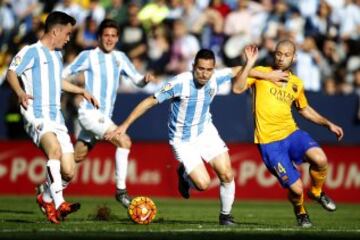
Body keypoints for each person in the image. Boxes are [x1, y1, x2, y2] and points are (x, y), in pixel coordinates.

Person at [105, 48, 287, 225]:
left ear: (213, 69)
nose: (204, 74)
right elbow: (149, 101)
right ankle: (184, 175)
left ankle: (226, 216)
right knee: (203, 184)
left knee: (227, 174)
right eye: (200, 69)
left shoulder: (216, 77)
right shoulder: (179, 83)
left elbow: (237, 70)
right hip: (182, 141)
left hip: (205, 131)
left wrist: (269, 75)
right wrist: (125, 125)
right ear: (193, 66)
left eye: (209, 70)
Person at [232, 40, 344, 227]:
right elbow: (237, 88)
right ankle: (300, 211)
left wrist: (328, 124)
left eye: (286, 55)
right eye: (278, 54)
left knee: (321, 159)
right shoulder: (261, 73)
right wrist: (250, 63)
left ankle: (316, 192)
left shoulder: (296, 83)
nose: (281, 58)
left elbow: (304, 109)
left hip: (291, 133)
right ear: (274, 54)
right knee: (296, 188)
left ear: (294, 57)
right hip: (269, 142)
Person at [6, 11, 98, 224]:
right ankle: (59, 204)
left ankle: (45, 196)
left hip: (56, 118)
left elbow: (57, 82)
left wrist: (80, 90)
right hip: (36, 115)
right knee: (54, 151)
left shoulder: (56, 55)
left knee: (69, 171)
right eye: (67, 33)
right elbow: (11, 72)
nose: (68, 38)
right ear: (55, 31)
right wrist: (20, 93)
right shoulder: (31, 51)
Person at [61, 19, 153, 208]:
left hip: (103, 116)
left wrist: (145, 79)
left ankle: (46, 191)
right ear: (99, 37)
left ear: (117, 38)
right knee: (124, 140)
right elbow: (64, 73)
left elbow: (136, 80)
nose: (109, 39)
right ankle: (121, 192)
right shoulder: (88, 56)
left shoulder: (120, 58)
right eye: (106, 35)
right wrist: (76, 89)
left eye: (113, 36)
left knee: (77, 157)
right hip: (89, 113)